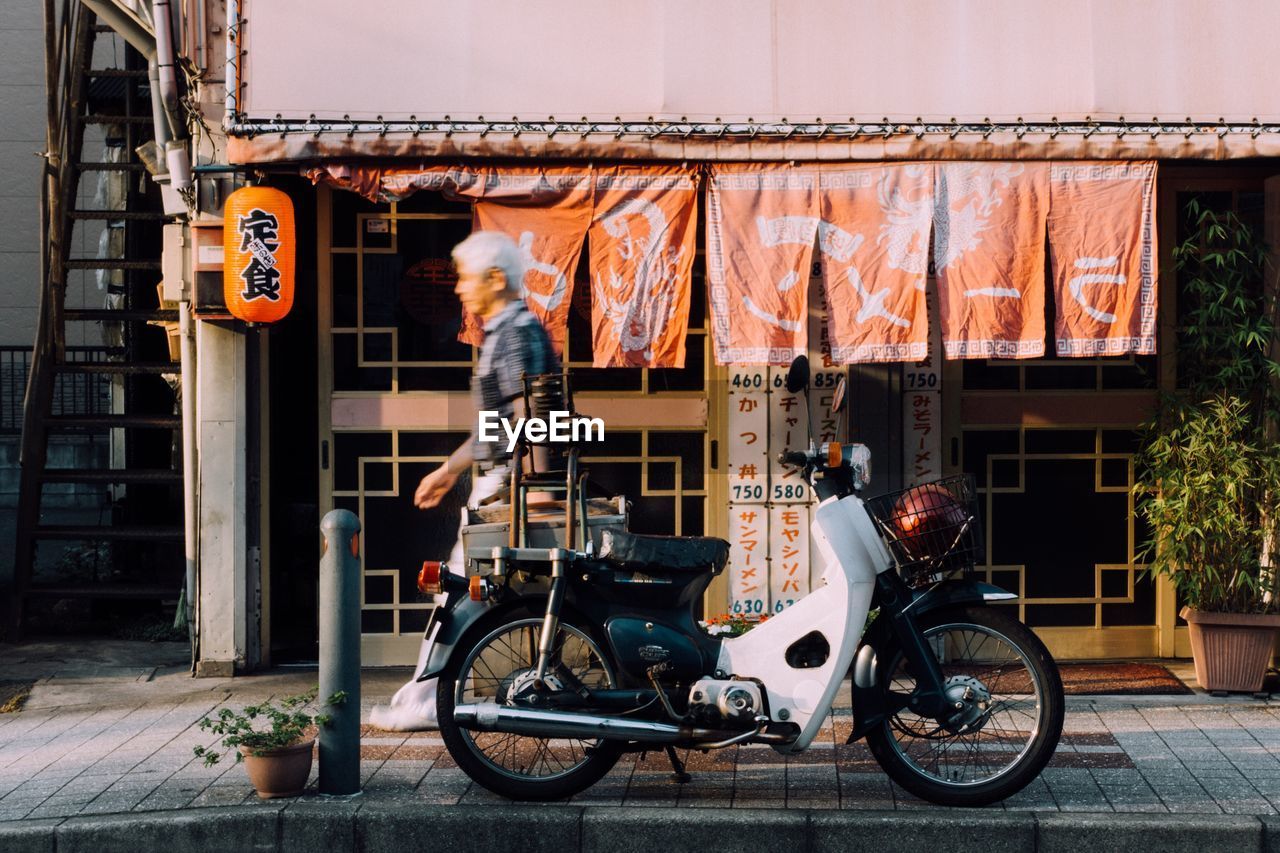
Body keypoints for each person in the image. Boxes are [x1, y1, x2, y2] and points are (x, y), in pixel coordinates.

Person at [369, 230, 559, 731]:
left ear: (495, 279)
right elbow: (498, 426)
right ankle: (427, 694)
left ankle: (428, 700)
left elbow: (530, 412)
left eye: (465, 279)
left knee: (457, 592)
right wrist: (447, 471)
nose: (458, 289)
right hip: (500, 480)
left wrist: (534, 484)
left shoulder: (516, 333)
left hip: (506, 484)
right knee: (461, 592)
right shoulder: (507, 331)